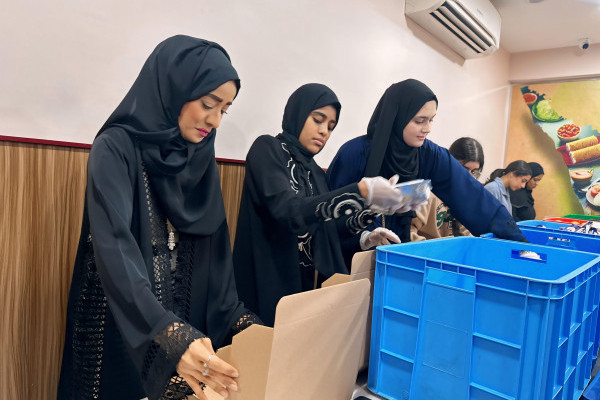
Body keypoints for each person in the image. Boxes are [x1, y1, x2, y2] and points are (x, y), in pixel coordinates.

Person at [58, 35, 260, 400]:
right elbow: (116, 251)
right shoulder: (115, 148)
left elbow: (217, 267)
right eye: (208, 104)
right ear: (174, 89)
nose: (215, 121)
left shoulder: (200, 159)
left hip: (182, 339)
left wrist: (257, 332)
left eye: (225, 110)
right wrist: (169, 333)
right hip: (120, 324)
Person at [232, 83, 403, 326]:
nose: (324, 131)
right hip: (266, 279)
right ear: (298, 113)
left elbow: (326, 227)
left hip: (302, 289)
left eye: (331, 127)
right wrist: (360, 190)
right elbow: (288, 210)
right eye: (318, 120)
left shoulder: (315, 172)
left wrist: (366, 228)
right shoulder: (267, 149)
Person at [327, 79, 526, 250]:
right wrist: (364, 236)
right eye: (420, 120)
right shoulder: (354, 153)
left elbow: (473, 198)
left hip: (397, 250)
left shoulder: (428, 154)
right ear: (396, 117)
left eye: (431, 120)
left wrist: (518, 244)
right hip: (350, 254)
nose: (428, 128)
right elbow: (330, 214)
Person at [410, 137, 484, 241]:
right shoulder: (427, 191)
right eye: (464, 169)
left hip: (450, 249)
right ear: (450, 162)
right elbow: (408, 233)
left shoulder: (467, 195)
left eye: (474, 172)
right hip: (426, 249)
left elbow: (468, 235)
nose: (469, 177)